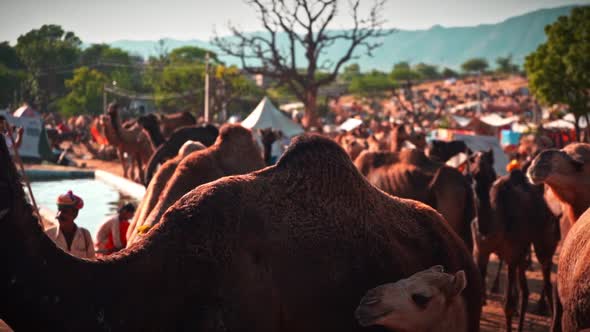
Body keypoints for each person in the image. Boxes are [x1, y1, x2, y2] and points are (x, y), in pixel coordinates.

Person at [45, 190, 95, 259]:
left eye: (64, 211)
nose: (59, 215)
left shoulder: (85, 235)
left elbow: (92, 261)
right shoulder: (48, 235)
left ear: (75, 214)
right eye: (59, 210)